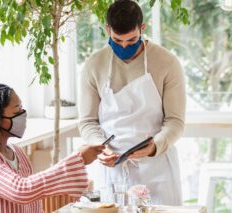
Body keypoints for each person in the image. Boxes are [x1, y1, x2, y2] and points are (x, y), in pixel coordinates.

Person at [78, 0, 186, 205]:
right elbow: (87, 122)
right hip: (114, 169)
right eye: (117, 40)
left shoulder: (167, 62)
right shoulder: (94, 65)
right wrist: (99, 146)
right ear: (108, 29)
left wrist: (154, 146)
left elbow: (175, 121)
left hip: (158, 167)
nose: (124, 46)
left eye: (132, 40)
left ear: (142, 29)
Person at [0, 83, 104, 212]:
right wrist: (77, 159)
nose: (23, 114)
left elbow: (33, 202)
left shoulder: (16, 152)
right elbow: (21, 190)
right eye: (17, 110)